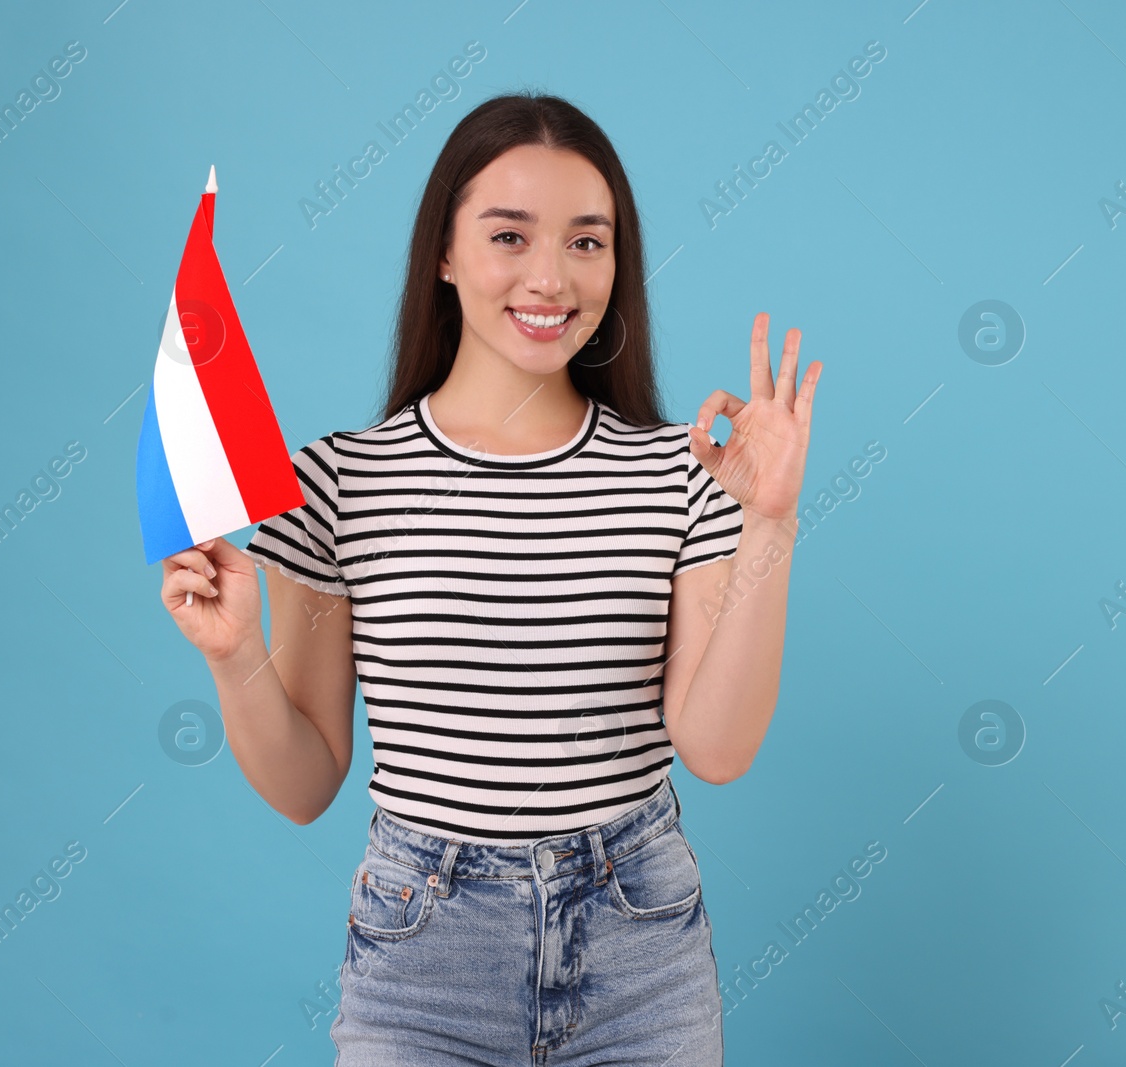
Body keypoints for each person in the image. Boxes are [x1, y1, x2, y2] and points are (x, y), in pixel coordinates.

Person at [157, 91, 820, 1066]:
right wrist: (233, 655)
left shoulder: (679, 472)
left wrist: (769, 522)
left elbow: (716, 748)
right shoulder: (335, 482)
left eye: (587, 242)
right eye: (509, 234)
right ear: (444, 252)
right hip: (422, 964)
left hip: (639, 954)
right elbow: (305, 784)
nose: (550, 275)